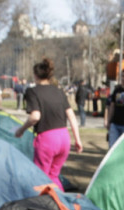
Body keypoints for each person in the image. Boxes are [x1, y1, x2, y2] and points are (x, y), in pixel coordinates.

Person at [15, 58, 82, 190]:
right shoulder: (59, 92)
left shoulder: (32, 92)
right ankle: (61, 204)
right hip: (64, 138)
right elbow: (72, 117)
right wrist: (78, 140)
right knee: (54, 176)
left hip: (47, 139)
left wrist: (21, 130)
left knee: (40, 178)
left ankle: (44, 207)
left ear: (35, 75)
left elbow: (35, 116)